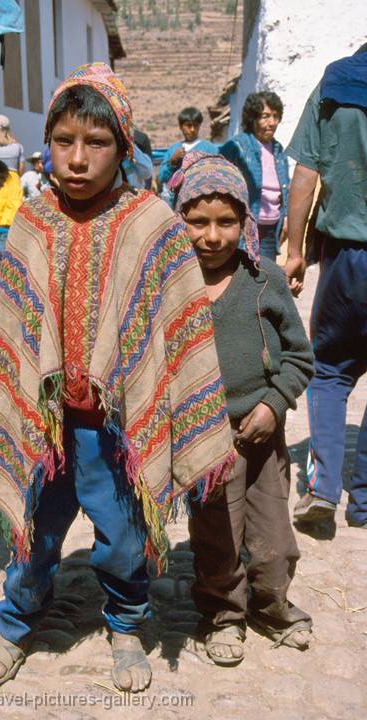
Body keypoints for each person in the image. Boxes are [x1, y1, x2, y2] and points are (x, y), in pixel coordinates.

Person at [0, 63, 234, 692]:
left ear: (123, 146)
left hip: (117, 426)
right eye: (64, 141)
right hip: (44, 420)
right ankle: (15, 624)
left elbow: (183, 331)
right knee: (33, 535)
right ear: (48, 143)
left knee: (124, 540)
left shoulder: (152, 224)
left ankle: (127, 626)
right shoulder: (30, 222)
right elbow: (12, 330)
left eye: (97, 143)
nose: (78, 159)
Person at [170, 151, 314, 665]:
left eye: (227, 222)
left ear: (246, 222)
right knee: (216, 539)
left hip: (261, 438)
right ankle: (223, 616)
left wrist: (275, 405)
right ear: (178, 219)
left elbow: (300, 356)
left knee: (274, 537)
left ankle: (273, 608)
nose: (213, 236)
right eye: (198, 222)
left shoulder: (264, 280)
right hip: (205, 442)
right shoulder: (171, 287)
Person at [285, 45, 367, 530]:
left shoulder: (337, 81)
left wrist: (295, 251)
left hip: (346, 258)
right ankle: (365, 501)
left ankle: (322, 489)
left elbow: (304, 178)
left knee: (332, 372)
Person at [220, 91, 289, 262]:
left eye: (275, 116)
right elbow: (218, 176)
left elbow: (286, 190)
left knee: (265, 280)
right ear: (253, 118)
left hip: (270, 234)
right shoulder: (238, 146)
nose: (272, 122)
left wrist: (286, 217)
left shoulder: (279, 151)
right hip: (244, 231)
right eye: (265, 116)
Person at [158, 106, 217, 202]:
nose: (192, 129)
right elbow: (162, 178)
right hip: (177, 201)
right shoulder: (173, 150)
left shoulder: (210, 149)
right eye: (189, 126)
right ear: (181, 127)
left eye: (196, 126)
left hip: (203, 201)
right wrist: (172, 161)